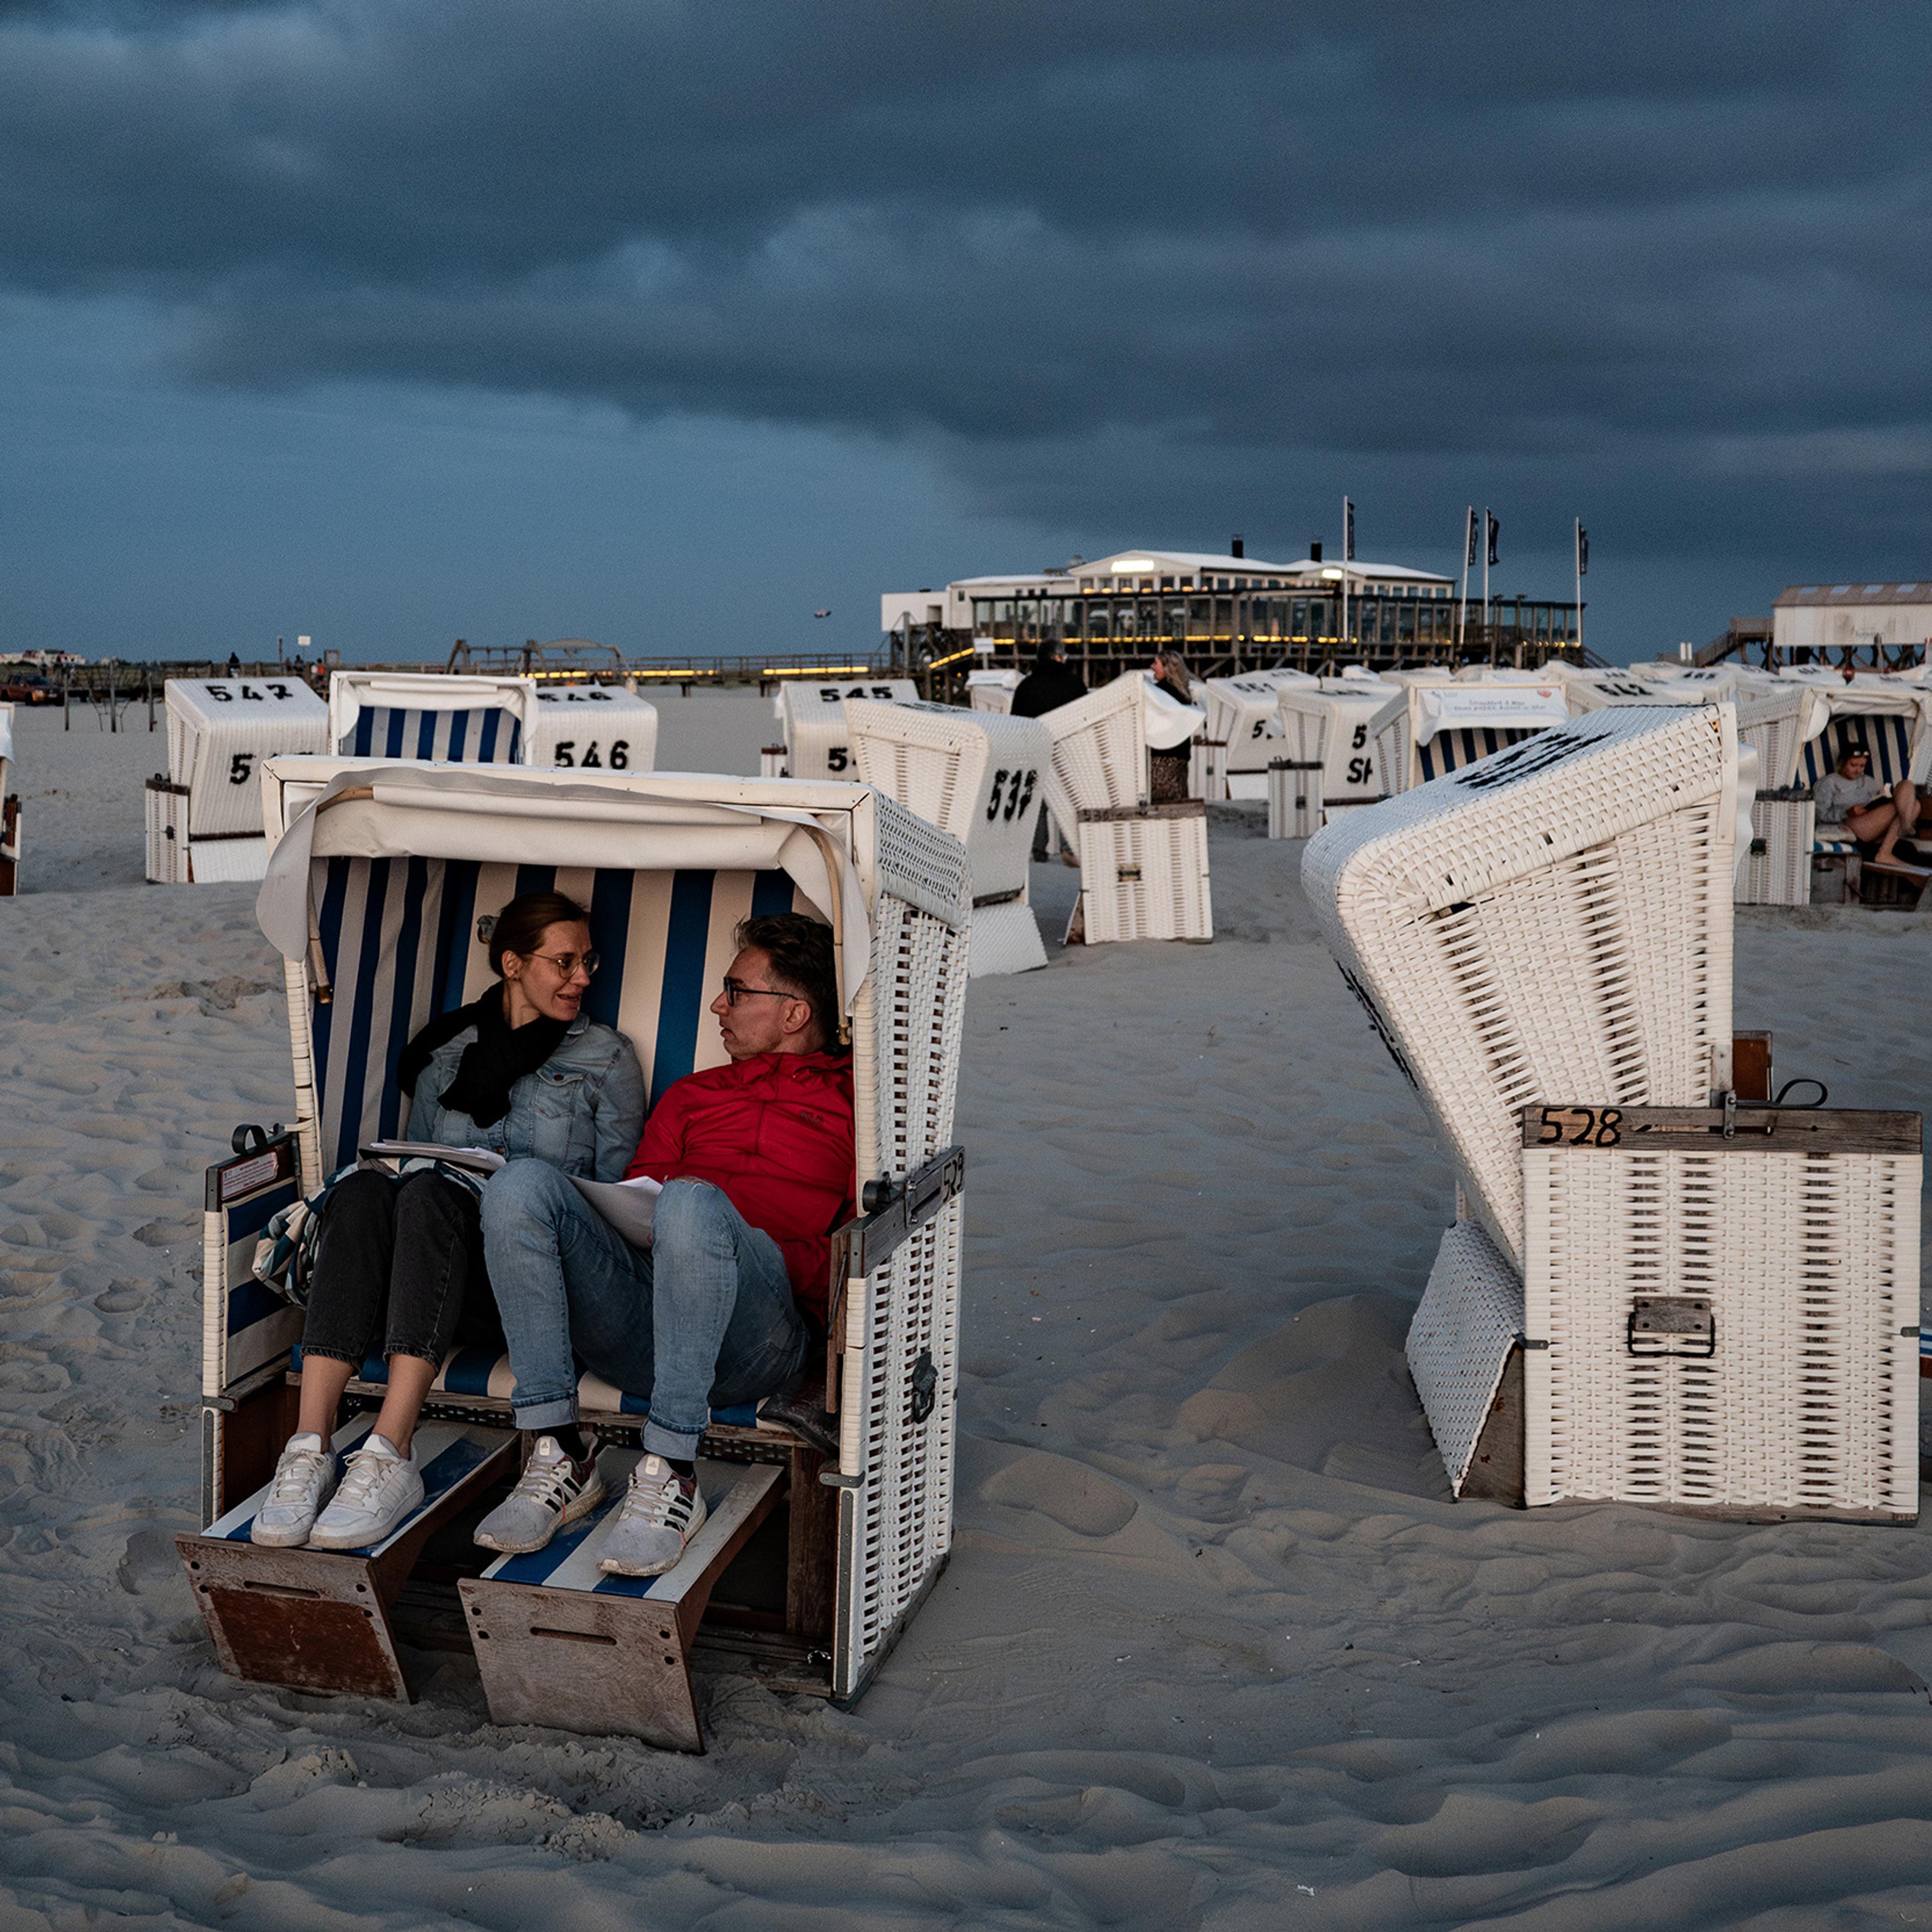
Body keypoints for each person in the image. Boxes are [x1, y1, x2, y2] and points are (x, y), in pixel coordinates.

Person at [250, 892, 645, 1550]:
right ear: (514, 964)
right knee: (370, 1193)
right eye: (565, 962)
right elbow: (421, 1162)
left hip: (538, 1288)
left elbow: (609, 1203)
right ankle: (309, 1446)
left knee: (432, 1196)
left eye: (590, 962)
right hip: (438, 1284)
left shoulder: (605, 1058)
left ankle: (390, 1448)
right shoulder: (446, 1054)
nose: (583, 978)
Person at [476, 913, 852, 1575]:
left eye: (736, 991)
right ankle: (560, 1450)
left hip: (756, 1340)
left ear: (794, 1013)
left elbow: (854, 1260)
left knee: (691, 1200)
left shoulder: (854, 1106)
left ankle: (675, 1472)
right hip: (639, 1326)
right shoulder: (692, 1095)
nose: (718, 1005)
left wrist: (722, 1252)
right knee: (520, 1185)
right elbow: (635, 1207)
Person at [1013, 642, 1087, 859]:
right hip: (1068, 749)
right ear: (1056, 657)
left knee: (1038, 802)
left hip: (1036, 748)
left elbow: (1016, 720)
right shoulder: (1075, 685)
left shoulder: (1027, 686)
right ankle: (1069, 846)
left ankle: (1039, 849)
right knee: (1067, 798)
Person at [1813, 742, 1923, 867]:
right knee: (1908, 806)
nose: (1858, 770)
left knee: (1907, 785)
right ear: (1842, 763)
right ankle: (1892, 843)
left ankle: (1904, 824)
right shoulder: (1829, 783)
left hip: (1874, 821)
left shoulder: (1870, 782)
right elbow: (1820, 815)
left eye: (1862, 766)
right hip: (1854, 824)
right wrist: (1846, 813)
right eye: (1853, 765)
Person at [1146, 648, 1195, 803]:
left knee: (1161, 803)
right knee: (1178, 800)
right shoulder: (1183, 694)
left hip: (1161, 758)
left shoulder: (1159, 693)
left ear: (1167, 668)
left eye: (1156, 663)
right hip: (1180, 757)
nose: (1152, 667)